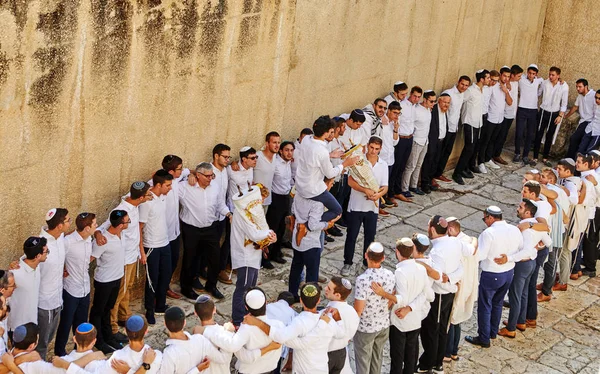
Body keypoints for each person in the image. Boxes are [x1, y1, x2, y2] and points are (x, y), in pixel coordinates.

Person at [417, 215, 472, 374]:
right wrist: (453, 279)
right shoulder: (455, 241)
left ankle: (430, 364)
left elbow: (438, 278)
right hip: (449, 293)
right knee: (441, 329)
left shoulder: (437, 252)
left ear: (433, 229)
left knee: (432, 330)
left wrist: (446, 278)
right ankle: (436, 361)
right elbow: (462, 265)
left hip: (440, 295)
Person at [95, 181, 150, 338]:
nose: (150, 197)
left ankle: (124, 316)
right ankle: (112, 327)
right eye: (147, 195)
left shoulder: (132, 203)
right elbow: (104, 226)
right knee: (119, 293)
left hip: (132, 255)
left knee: (128, 287)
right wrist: (98, 234)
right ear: (140, 197)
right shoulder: (121, 210)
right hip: (124, 259)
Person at [245, 283, 340, 374]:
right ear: (319, 300)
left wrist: (259, 324)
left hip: (303, 370)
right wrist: (337, 317)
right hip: (322, 369)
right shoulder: (328, 319)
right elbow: (341, 334)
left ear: (301, 301)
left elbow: (281, 337)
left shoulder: (299, 322)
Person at [372, 238, 433, 374]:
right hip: (415, 320)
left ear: (397, 252)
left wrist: (383, 293)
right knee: (411, 358)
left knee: (397, 359)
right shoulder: (421, 269)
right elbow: (428, 294)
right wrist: (411, 308)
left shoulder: (400, 272)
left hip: (399, 320)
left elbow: (402, 299)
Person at [465, 206, 523, 348]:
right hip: (508, 272)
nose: (485, 221)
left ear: (490, 217)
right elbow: (521, 247)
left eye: (485, 218)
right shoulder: (514, 229)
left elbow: (481, 255)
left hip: (492, 273)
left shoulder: (488, 233)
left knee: (485, 306)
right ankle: (492, 332)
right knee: (498, 303)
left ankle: (484, 338)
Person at [498, 199, 551, 338]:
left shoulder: (525, 227)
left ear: (527, 212)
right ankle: (520, 321)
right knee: (524, 294)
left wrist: (509, 258)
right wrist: (537, 247)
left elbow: (525, 251)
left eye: (520, 207)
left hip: (522, 264)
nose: (517, 208)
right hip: (531, 263)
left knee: (515, 296)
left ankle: (511, 327)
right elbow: (548, 242)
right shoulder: (536, 225)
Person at [179, 163, 230, 301]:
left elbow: (220, 204)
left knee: (215, 258)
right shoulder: (185, 187)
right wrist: (188, 174)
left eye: (212, 175)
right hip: (191, 229)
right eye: (207, 176)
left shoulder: (215, 187)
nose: (210, 178)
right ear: (198, 175)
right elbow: (170, 180)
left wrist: (228, 214)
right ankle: (186, 287)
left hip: (210, 228)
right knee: (190, 259)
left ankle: (211, 285)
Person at [201, 289, 284, 374]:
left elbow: (242, 354)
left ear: (246, 307)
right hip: (270, 371)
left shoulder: (246, 329)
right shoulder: (279, 325)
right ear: (266, 303)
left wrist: (230, 332)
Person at [294, 115, 358, 224]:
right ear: (327, 132)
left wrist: (330, 155)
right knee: (337, 210)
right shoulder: (321, 151)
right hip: (312, 189)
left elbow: (312, 156)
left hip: (300, 184)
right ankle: (308, 224)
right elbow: (330, 174)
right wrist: (345, 164)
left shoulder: (306, 139)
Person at [342, 137, 389, 276]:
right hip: (356, 205)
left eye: (376, 148)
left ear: (380, 149)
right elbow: (350, 181)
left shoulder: (383, 164)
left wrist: (377, 195)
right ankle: (347, 263)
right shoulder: (359, 160)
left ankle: (366, 263)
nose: (373, 151)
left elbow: (385, 186)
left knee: (370, 236)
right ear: (367, 146)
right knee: (352, 236)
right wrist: (365, 190)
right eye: (371, 147)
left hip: (372, 208)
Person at [230, 184, 276, 326]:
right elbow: (254, 234)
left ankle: (248, 315)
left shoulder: (252, 211)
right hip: (246, 256)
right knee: (243, 288)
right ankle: (238, 320)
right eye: (260, 199)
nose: (261, 202)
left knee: (250, 287)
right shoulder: (243, 213)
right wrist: (271, 235)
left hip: (253, 255)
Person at [55, 213, 97, 357]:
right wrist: (61, 270)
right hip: (71, 289)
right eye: (94, 224)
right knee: (66, 324)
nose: (96, 226)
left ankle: (78, 351)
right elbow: (55, 255)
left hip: (84, 288)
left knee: (81, 323)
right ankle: (59, 353)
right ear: (86, 228)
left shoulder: (89, 237)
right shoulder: (67, 241)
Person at [353, 242, 395, 374]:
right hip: (383, 324)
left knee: (363, 363)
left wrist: (350, 327)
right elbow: (391, 298)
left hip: (366, 327)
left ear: (366, 256)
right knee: (377, 359)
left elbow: (358, 309)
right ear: (383, 258)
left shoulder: (363, 280)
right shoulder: (390, 275)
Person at [90, 209, 128, 353]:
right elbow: (91, 257)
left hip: (116, 277)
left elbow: (100, 227)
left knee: (108, 309)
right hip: (104, 280)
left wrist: (97, 232)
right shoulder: (103, 241)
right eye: (127, 221)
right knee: (98, 311)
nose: (128, 223)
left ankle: (109, 336)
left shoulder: (120, 233)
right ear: (120, 225)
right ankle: (99, 341)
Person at [139, 169, 173, 325]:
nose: (170, 188)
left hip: (165, 243)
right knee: (152, 280)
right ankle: (149, 310)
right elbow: (139, 227)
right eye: (167, 185)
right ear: (158, 185)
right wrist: (142, 252)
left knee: (165, 276)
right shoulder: (147, 202)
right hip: (151, 246)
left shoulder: (162, 197)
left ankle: (160, 305)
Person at [2, 323, 104, 374]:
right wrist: (92, 356)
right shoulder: (35, 365)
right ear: (32, 346)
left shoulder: (7, 356)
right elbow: (64, 370)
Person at [290, 177, 335, 295]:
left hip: (297, 239)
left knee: (296, 269)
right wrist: (327, 224)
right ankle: (309, 302)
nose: (331, 185)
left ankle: (292, 295)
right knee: (312, 274)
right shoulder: (318, 203)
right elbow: (313, 225)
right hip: (311, 242)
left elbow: (293, 211)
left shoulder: (298, 195)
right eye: (330, 183)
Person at [37, 208, 71, 359]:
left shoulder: (60, 237)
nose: (70, 223)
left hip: (58, 298)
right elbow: (26, 261)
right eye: (68, 221)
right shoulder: (40, 244)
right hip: (44, 302)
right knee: (41, 342)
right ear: (59, 225)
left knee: (49, 338)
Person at [444, 217, 478, 362]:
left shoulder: (457, 246)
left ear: (451, 230)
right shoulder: (470, 241)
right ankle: (454, 351)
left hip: (459, 286)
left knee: (451, 320)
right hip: (469, 284)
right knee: (457, 320)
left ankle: (446, 353)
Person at [159, 306, 229, 373]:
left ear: (165, 324)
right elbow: (222, 358)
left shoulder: (169, 354)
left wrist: (197, 370)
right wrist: (228, 333)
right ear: (184, 323)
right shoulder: (200, 340)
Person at [159, 155, 190, 300]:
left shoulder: (178, 177)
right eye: (179, 169)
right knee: (162, 267)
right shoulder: (158, 184)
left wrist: (193, 174)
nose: (182, 171)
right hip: (162, 235)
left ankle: (166, 287)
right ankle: (158, 292)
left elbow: (190, 171)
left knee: (173, 262)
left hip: (175, 231)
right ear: (171, 172)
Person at [453, 70, 489, 184]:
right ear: (481, 79)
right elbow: (460, 101)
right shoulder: (471, 91)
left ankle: (465, 168)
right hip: (470, 122)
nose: (489, 80)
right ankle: (457, 173)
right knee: (469, 148)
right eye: (487, 78)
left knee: (472, 148)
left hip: (478, 122)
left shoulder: (482, 90)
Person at [7, 237, 47, 339]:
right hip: (17, 327)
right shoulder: (15, 273)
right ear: (38, 256)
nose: (48, 254)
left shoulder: (36, 265)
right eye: (47, 252)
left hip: (32, 323)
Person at [434, 76, 470, 182]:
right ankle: (433, 175)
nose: (464, 87)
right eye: (462, 84)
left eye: (466, 85)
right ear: (458, 82)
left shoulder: (462, 95)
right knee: (439, 153)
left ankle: (439, 173)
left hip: (454, 128)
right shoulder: (449, 93)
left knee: (447, 152)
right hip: (445, 128)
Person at [390, 87, 422, 202]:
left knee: (403, 166)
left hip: (409, 138)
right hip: (401, 139)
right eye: (414, 96)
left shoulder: (415, 107)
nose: (416, 99)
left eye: (419, 97)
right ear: (410, 95)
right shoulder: (402, 105)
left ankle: (398, 191)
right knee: (396, 166)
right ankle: (391, 193)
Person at [533, 66, 569, 166]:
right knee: (538, 134)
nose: (550, 76)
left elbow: (564, 103)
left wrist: (560, 116)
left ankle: (545, 158)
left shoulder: (564, 86)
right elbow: (538, 93)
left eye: (553, 75)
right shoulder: (545, 83)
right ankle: (535, 157)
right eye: (549, 74)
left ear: (558, 75)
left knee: (549, 136)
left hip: (554, 114)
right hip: (543, 111)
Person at [478, 68, 513, 172]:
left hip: (500, 119)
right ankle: (480, 162)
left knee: (493, 140)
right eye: (504, 76)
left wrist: (506, 92)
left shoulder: (504, 87)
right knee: (485, 141)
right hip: (490, 118)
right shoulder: (491, 87)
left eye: (508, 77)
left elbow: (510, 102)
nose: (506, 78)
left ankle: (488, 159)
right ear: (501, 75)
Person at [265, 140, 294, 264]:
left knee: (282, 227)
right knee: (272, 228)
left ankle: (276, 254)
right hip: (275, 198)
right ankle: (266, 257)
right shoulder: (275, 163)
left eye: (292, 150)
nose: (289, 153)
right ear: (281, 151)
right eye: (287, 150)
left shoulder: (289, 163)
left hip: (286, 197)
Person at [401, 90, 435, 195]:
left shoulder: (429, 110)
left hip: (425, 141)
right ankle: (404, 188)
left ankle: (413, 185)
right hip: (416, 141)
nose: (433, 104)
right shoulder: (416, 110)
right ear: (425, 100)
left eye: (434, 101)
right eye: (431, 101)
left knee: (419, 165)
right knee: (411, 165)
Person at [323, 277, 359, 374]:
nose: (325, 288)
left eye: (329, 288)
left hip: (327, 354)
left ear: (337, 295)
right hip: (342, 354)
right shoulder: (352, 311)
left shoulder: (328, 313)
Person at [210, 144, 235, 285]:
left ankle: (218, 270)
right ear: (216, 156)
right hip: (209, 216)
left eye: (228, 157)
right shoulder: (207, 170)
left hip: (222, 214)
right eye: (225, 157)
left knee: (220, 242)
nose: (227, 160)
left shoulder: (225, 170)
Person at [493, 65, 523, 165]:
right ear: (512, 76)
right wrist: (508, 83)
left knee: (504, 136)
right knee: (500, 136)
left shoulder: (515, 83)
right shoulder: (506, 84)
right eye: (518, 76)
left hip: (511, 114)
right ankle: (495, 155)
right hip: (503, 114)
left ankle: (496, 154)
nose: (520, 78)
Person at [421, 94, 450, 194]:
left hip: (441, 140)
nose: (446, 104)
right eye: (445, 102)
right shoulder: (433, 110)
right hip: (432, 141)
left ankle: (430, 180)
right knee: (428, 161)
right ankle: (424, 184)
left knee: (435, 161)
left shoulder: (444, 111)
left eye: (448, 103)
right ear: (439, 101)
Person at [514, 64, 544, 165]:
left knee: (530, 134)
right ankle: (517, 153)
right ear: (527, 72)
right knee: (519, 132)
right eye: (529, 73)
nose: (531, 75)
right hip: (522, 109)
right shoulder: (521, 79)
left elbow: (541, 90)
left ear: (536, 74)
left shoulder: (539, 80)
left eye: (533, 74)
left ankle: (525, 155)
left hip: (533, 110)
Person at [575, 153, 599, 277]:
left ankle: (586, 267)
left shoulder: (590, 178)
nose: (576, 164)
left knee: (587, 239)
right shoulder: (587, 176)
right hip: (589, 211)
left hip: (589, 212)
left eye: (579, 162)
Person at [564, 79, 596, 158]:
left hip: (591, 122)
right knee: (574, 139)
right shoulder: (580, 96)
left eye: (580, 87)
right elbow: (575, 107)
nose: (578, 89)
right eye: (577, 87)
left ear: (586, 86)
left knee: (582, 144)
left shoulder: (594, 95)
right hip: (583, 122)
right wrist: (565, 116)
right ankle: (569, 160)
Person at [380, 101, 401, 209]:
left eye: (398, 113)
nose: (396, 115)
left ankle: (384, 199)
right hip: (381, 157)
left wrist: (396, 129)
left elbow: (395, 142)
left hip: (390, 157)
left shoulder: (393, 124)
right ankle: (378, 203)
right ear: (388, 111)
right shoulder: (382, 122)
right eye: (395, 113)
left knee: (386, 180)